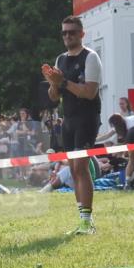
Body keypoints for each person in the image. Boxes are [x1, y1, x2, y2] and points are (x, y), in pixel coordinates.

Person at [42, 15, 103, 234]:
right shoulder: (60, 60)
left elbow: (89, 92)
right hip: (67, 119)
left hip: (87, 118)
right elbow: (53, 97)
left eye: (72, 32)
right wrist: (53, 84)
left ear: (81, 34)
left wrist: (64, 82)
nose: (67, 36)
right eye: (64, 33)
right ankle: (83, 220)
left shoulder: (91, 57)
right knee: (73, 170)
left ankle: (87, 222)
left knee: (80, 167)